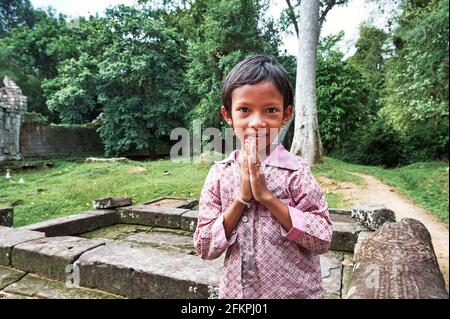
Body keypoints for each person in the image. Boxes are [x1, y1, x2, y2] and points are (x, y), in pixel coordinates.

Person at [193, 55, 333, 299]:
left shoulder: (297, 172)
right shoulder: (219, 174)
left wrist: (268, 198)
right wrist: (242, 199)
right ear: (228, 115)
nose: (257, 122)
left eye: (270, 110)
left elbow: (322, 238)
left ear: (286, 114)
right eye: (245, 110)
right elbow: (204, 247)